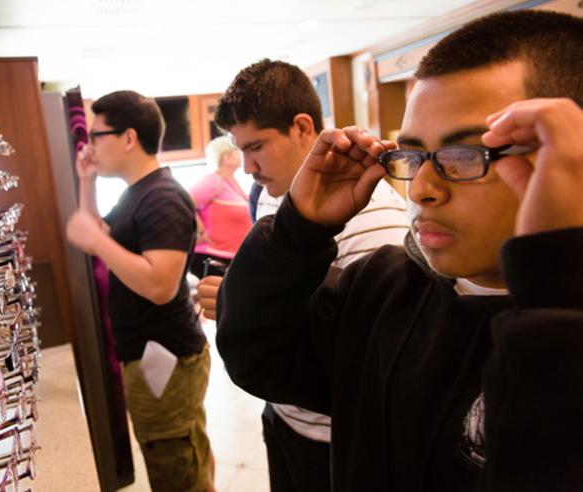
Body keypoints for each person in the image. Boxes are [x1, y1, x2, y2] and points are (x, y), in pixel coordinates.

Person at [215, 10, 583, 492]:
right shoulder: (382, 288)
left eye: (465, 155)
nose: (422, 189)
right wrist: (295, 231)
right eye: (412, 156)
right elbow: (257, 358)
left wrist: (556, 288)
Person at [198, 59, 410, 492]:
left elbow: (374, 357)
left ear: (301, 127)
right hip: (283, 416)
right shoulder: (271, 196)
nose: (247, 167)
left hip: (334, 439)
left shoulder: (375, 217)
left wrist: (238, 306)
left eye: (256, 147)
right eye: (239, 151)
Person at [66, 90, 214, 492]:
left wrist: (96, 242)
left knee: (177, 467)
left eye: (97, 135)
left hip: (166, 356)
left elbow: (160, 285)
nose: (90, 145)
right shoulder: (138, 193)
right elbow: (101, 232)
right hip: (153, 354)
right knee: (174, 456)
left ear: (128, 137)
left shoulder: (162, 198)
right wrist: (87, 182)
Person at [188, 136, 251, 279]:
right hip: (213, 258)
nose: (240, 153)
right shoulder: (214, 180)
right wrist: (201, 231)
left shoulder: (230, 182)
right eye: (236, 150)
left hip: (230, 259)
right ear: (226, 157)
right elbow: (184, 201)